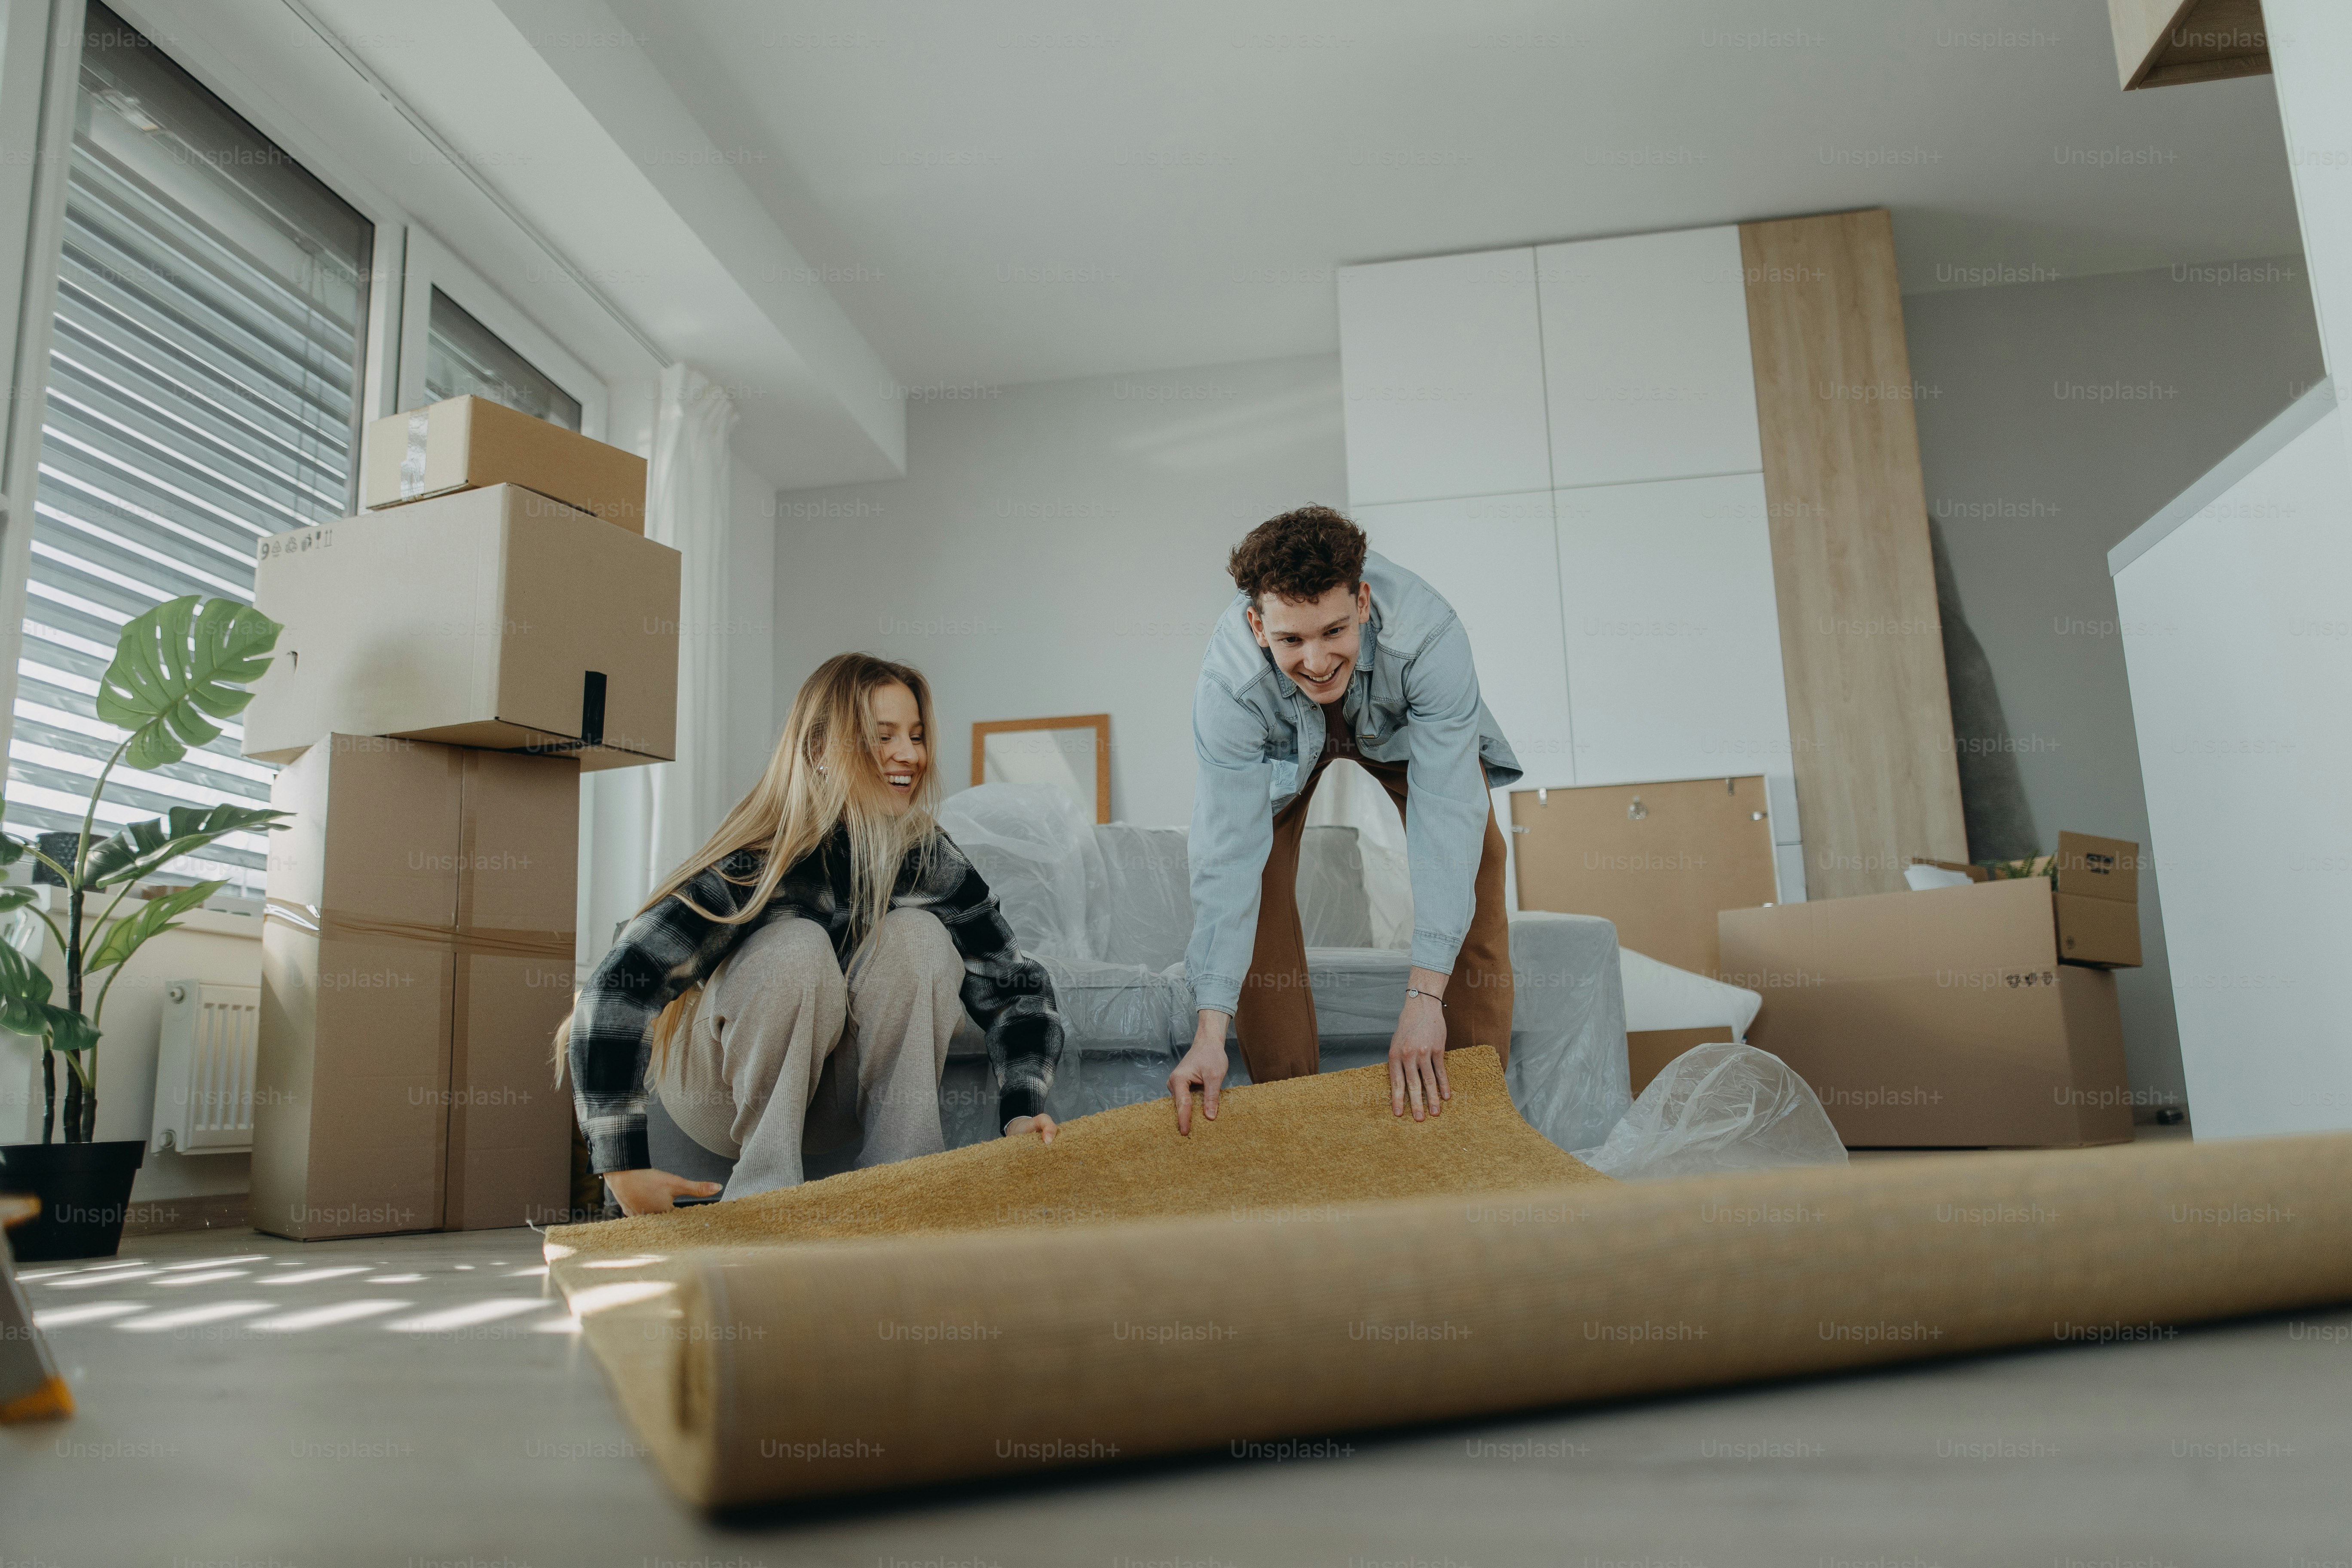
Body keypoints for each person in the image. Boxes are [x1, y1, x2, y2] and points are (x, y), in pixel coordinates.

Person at [567, 652, 1065, 1216]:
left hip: (830, 1100)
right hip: (719, 1091)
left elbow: (1017, 991)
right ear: (820, 751)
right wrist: (623, 1167)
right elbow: (614, 995)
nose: (910, 755)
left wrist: (1023, 1108)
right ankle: (765, 1202)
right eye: (883, 737)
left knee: (921, 937)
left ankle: (904, 1196)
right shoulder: (758, 857)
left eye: (917, 736)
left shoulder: (927, 858)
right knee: (796, 947)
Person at [1171, 505, 1520, 1133]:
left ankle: (1473, 1113)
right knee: (1257, 886)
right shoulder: (1229, 687)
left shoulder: (1428, 635)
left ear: (1362, 601)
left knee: (1482, 858)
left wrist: (1423, 999)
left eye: (1334, 631)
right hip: (1280, 753)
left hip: (1405, 735)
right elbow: (1226, 860)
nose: (1316, 660)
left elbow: (1448, 819)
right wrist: (1209, 1029)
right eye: (1290, 640)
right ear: (1256, 626)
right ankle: (1296, 1116)